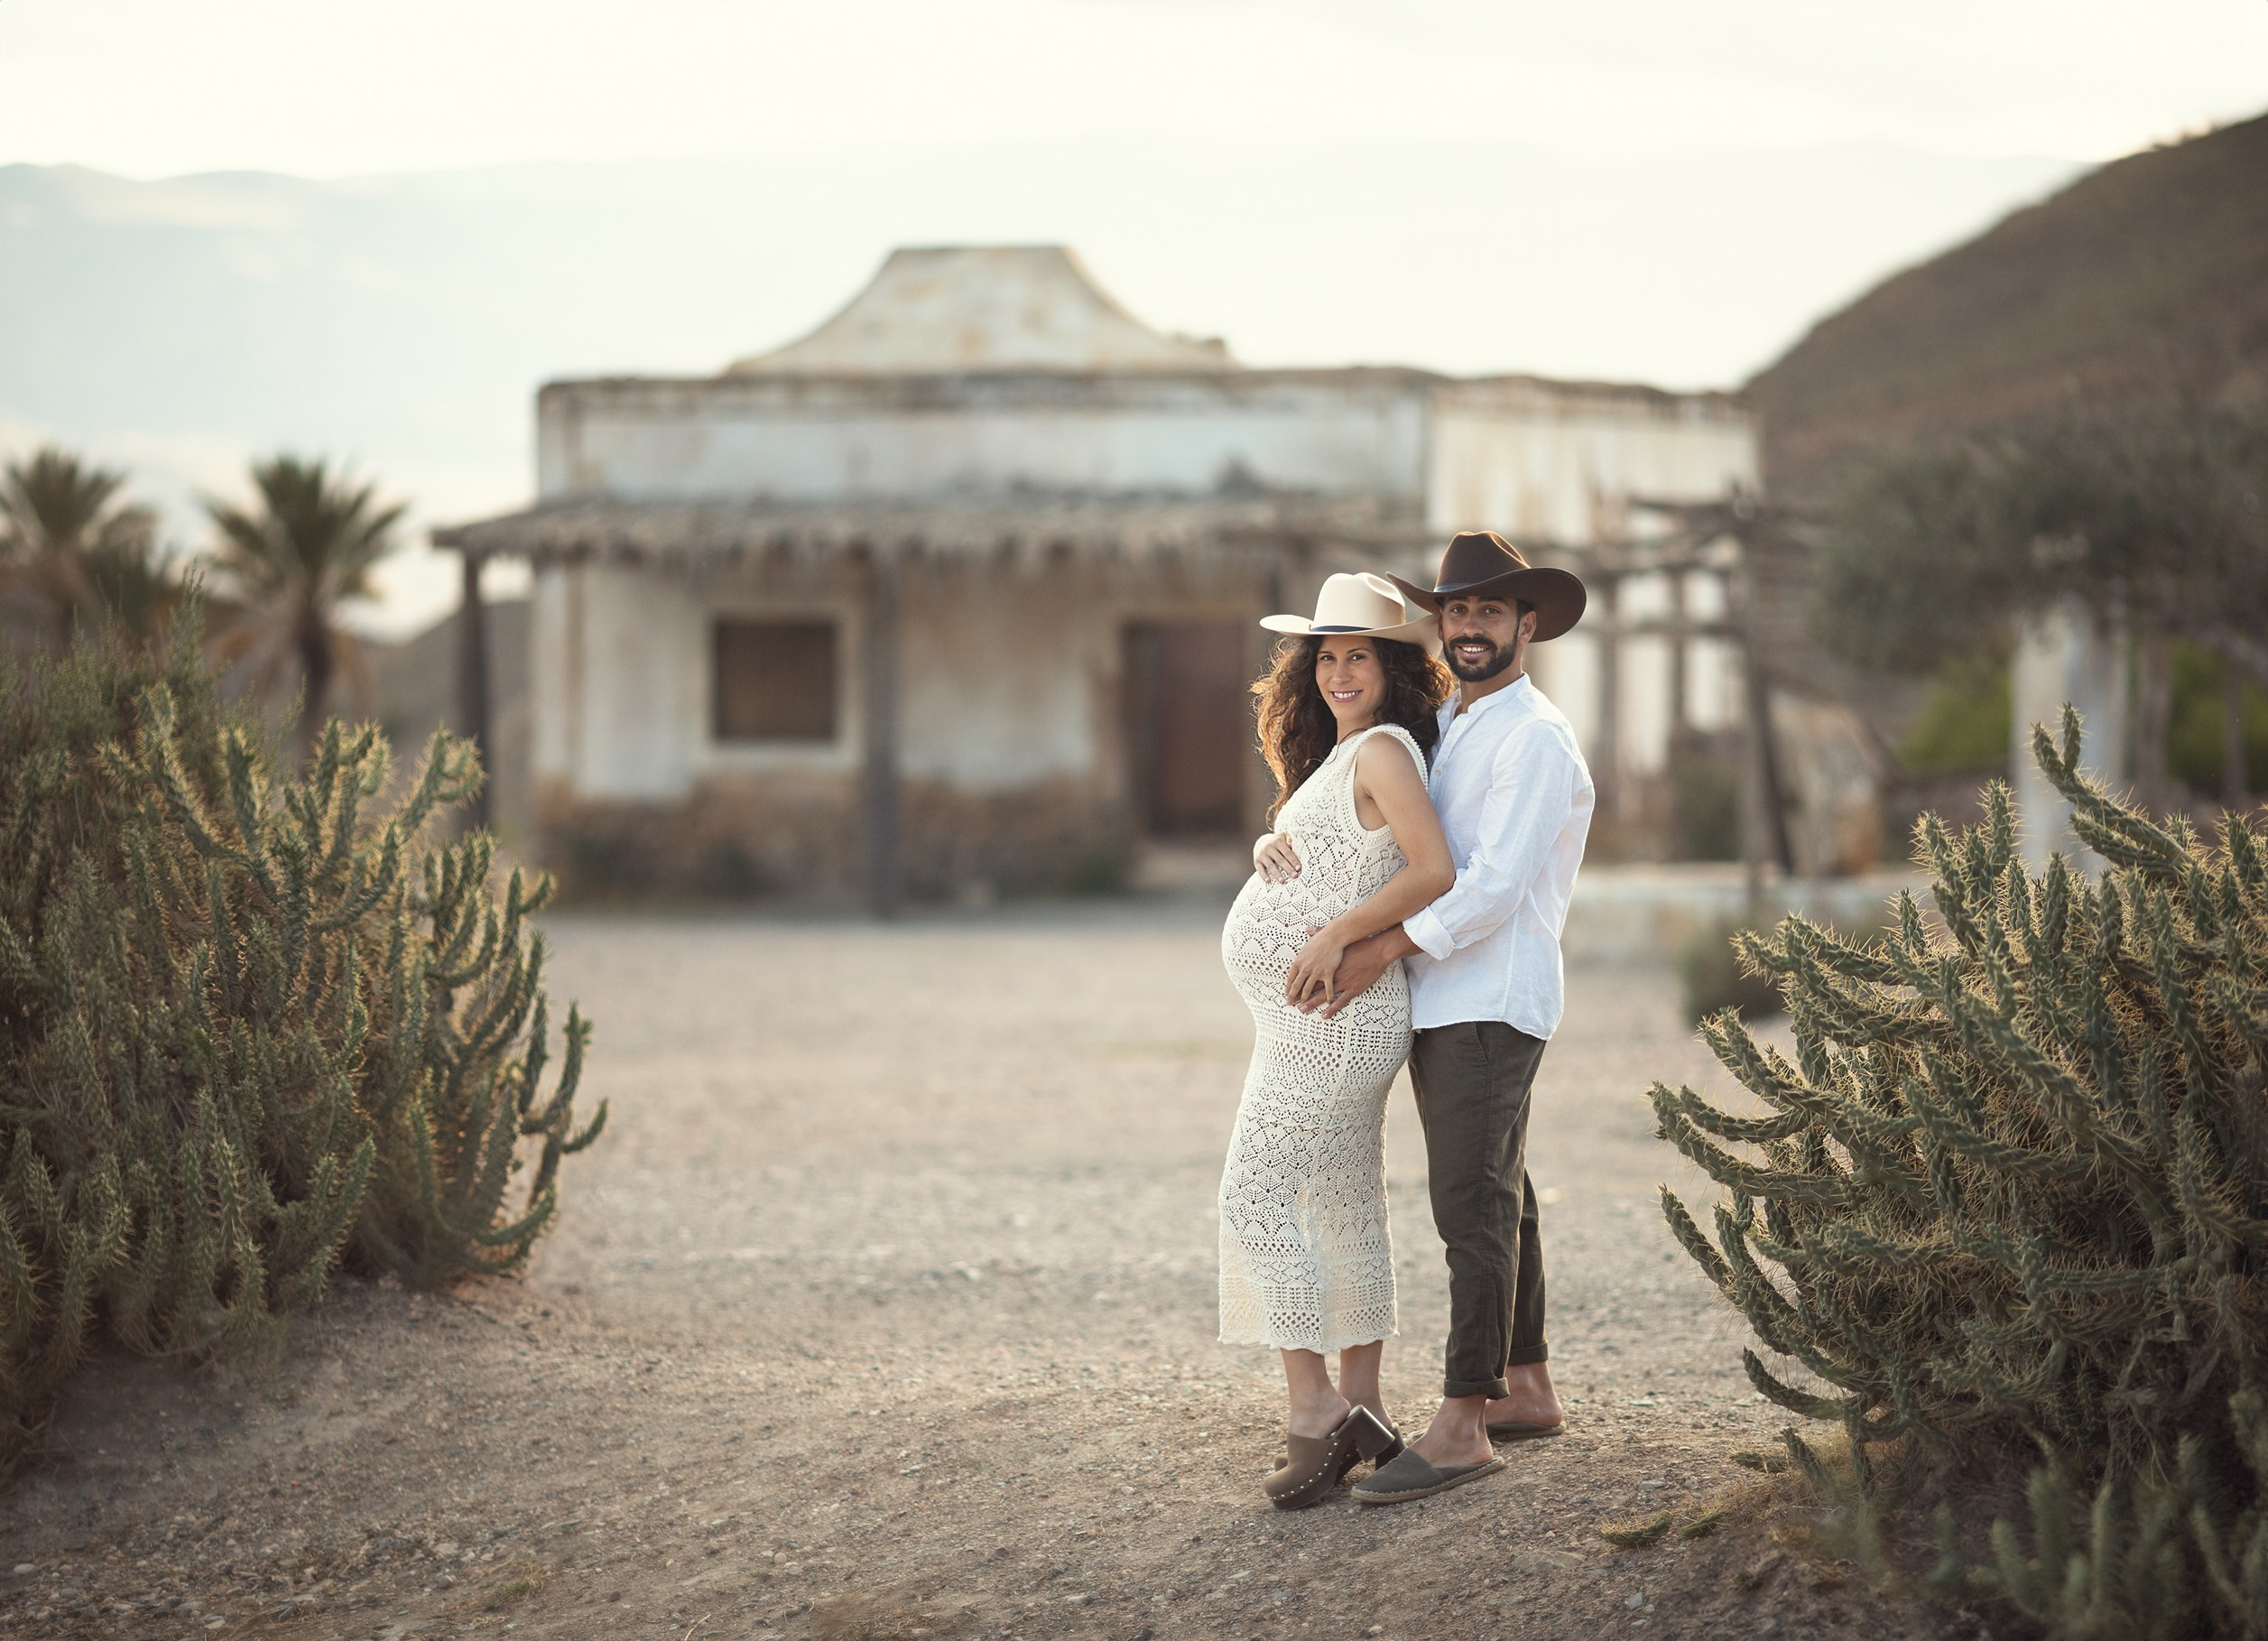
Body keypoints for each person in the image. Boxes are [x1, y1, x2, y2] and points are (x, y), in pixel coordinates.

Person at [1306, 531, 1596, 1507]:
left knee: (1466, 1208)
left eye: (1488, 612)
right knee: (1499, 1191)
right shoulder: (1460, 721)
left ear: (1526, 623)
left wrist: (1378, 949)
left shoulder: (1535, 738)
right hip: (1447, 996)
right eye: (1456, 612)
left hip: (1490, 996)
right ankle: (1525, 1386)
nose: (1469, 627)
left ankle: (1463, 1422)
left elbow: (1496, 887)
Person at [1217, 570, 1457, 1510]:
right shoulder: (1344, 754)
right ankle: (1358, 1407)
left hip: (1334, 1016)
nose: (1339, 672)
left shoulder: (1385, 750)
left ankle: (1313, 1413)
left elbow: (1433, 869)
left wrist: (1332, 934)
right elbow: (1333, 850)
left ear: (1392, 667)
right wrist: (1266, 845)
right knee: (1342, 1205)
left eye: (1358, 655)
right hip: (1313, 1023)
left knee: (1253, 1196)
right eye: (1326, 656)